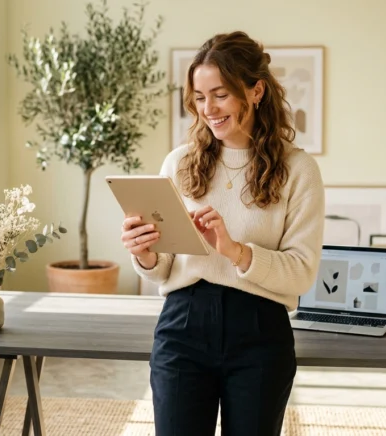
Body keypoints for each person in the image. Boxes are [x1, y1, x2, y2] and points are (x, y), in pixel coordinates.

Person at [119, 31, 325, 436]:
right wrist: (143, 252)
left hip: (260, 333)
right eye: (199, 97)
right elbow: (162, 268)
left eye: (220, 94)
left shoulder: (299, 170)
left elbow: (301, 273)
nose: (208, 108)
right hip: (182, 327)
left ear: (256, 91)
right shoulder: (179, 164)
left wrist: (235, 251)